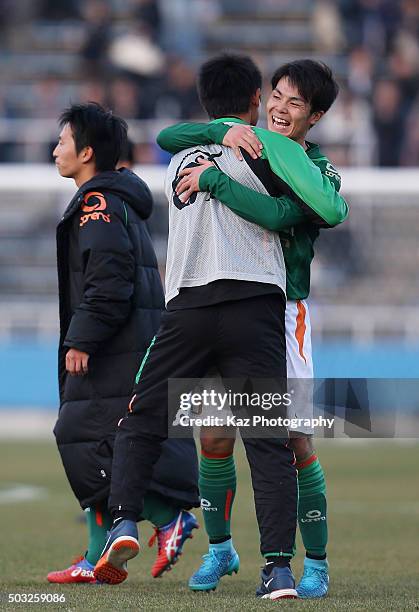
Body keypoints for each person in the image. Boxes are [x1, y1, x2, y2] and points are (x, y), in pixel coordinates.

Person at [94, 54, 301, 600]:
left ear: (207, 104)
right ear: (257, 102)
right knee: (266, 441)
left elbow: (166, 132)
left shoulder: (179, 156)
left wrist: (219, 130)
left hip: (187, 307)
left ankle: (121, 522)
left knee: (142, 420)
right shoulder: (269, 153)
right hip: (254, 302)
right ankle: (279, 569)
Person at [156, 59, 346, 598]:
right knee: (213, 436)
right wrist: (222, 130)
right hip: (226, 306)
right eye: (277, 98)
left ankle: (317, 563)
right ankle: (220, 551)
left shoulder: (318, 171)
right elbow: (169, 136)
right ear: (263, 99)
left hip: (283, 312)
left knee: (292, 439)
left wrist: (215, 181)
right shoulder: (246, 141)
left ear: (317, 116)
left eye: (296, 104)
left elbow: (285, 217)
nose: (281, 110)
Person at [48, 102, 199, 585]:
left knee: (86, 438)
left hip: (114, 345)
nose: (56, 150)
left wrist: (82, 338)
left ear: (87, 152)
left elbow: (109, 283)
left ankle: (166, 516)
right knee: (90, 443)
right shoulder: (116, 200)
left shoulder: (98, 206)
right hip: (128, 341)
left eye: (63, 142)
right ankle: (96, 556)